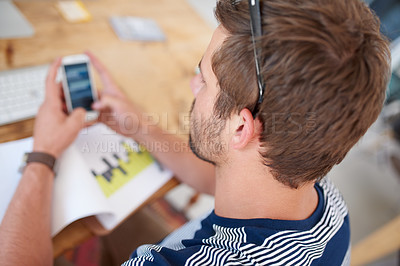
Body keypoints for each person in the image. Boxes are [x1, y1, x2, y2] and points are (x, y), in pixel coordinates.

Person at [0, 0, 390, 265]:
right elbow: (222, 176)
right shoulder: (326, 204)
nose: (192, 87)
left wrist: (43, 154)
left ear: (241, 127)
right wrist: (135, 124)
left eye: (202, 80)